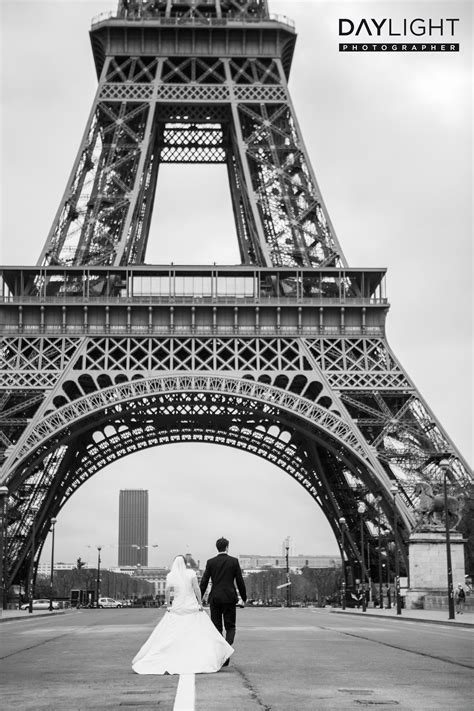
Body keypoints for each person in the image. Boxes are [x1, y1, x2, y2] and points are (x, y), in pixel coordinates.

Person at [132, 555, 233, 674]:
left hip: (178, 606)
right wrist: (200, 603)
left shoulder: (171, 575)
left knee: (171, 633)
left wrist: (169, 604)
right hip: (191, 605)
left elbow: (167, 591)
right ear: (185, 563)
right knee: (202, 632)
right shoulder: (191, 573)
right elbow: (196, 589)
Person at [200, 537, 247, 667]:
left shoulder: (211, 562)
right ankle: (225, 653)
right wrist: (244, 597)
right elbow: (239, 581)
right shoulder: (233, 561)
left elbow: (204, 582)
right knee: (230, 627)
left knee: (217, 628)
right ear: (227, 547)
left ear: (217, 548)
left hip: (215, 597)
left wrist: (198, 598)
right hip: (229, 597)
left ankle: (222, 654)